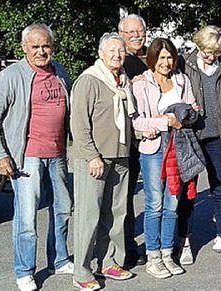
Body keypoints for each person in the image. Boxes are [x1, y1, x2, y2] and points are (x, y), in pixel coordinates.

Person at [0, 23, 73, 291]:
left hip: (58, 154)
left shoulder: (60, 72)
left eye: (46, 46)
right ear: (24, 48)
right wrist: (0, 155)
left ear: (53, 47)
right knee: (27, 218)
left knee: (62, 210)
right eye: (35, 47)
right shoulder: (12, 75)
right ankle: (25, 271)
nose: (42, 51)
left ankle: (60, 259)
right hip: (27, 157)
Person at [71, 33, 136, 290]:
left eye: (121, 51)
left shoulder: (123, 81)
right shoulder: (89, 80)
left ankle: (109, 262)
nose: (117, 55)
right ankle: (82, 270)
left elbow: (131, 118)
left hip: (121, 155)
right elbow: (79, 125)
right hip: (95, 159)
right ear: (101, 53)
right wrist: (92, 156)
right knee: (89, 215)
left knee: (116, 213)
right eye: (112, 51)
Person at [179, 25, 221, 265]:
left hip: (219, 138)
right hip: (192, 138)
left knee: (220, 189)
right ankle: (185, 244)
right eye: (207, 51)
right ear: (199, 45)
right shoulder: (186, 65)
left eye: (215, 52)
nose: (211, 56)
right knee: (188, 192)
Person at [132, 38, 192, 278]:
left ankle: (167, 253)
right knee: (154, 203)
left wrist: (184, 118)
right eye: (161, 57)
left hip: (178, 146)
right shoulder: (141, 84)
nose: (165, 62)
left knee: (172, 203)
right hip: (154, 148)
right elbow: (135, 119)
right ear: (152, 59)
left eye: (169, 57)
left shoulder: (181, 80)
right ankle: (153, 255)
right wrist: (161, 121)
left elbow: (193, 109)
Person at [118, 13, 149, 266]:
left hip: (151, 138)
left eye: (140, 31)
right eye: (131, 32)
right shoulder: (117, 60)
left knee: (154, 193)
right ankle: (127, 247)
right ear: (121, 36)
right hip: (126, 140)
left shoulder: (152, 57)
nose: (137, 36)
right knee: (125, 196)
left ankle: (156, 244)